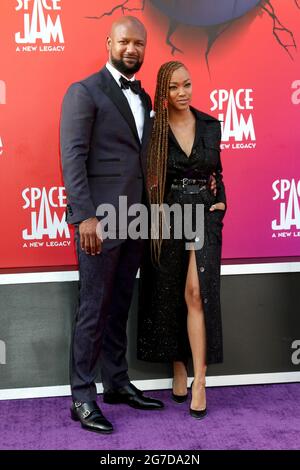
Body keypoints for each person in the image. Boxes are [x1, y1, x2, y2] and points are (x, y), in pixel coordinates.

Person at [60, 16, 164, 435]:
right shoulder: (84, 91)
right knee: (93, 310)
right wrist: (84, 216)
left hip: (135, 218)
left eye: (139, 43)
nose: (131, 50)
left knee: (120, 305)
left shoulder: (144, 97)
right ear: (109, 42)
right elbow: (72, 157)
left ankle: (117, 383)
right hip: (99, 222)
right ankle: (82, 397)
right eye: (124, 42)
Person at [137, 61, 226, 419]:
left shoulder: (209, 124)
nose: (183, 93)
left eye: (187, 85)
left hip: (205, 212)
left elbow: (217, 171)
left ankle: (200, 380)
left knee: (195, 291)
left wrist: (222, 204)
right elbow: (148, 178)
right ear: (163, 92)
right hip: (168, 215)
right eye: (174, 87)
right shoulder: (155, 129)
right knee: (171, 289)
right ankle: (178, 367)